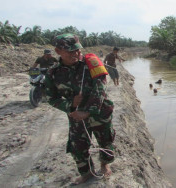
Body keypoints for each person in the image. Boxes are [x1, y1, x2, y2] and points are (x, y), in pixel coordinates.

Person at [44, 33, 116, 185]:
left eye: (77, 50)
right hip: (76, 115)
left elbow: (101, 87)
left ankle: (105, 164)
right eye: (70, 51)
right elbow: (51, 98)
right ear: (58, 52)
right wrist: (69, 105)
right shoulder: (53, 73)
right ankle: (87, 172)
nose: (76, 54)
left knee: (105, 140)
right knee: (77, 146)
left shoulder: (91, 64)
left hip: (99, 112)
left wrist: (88, 111)